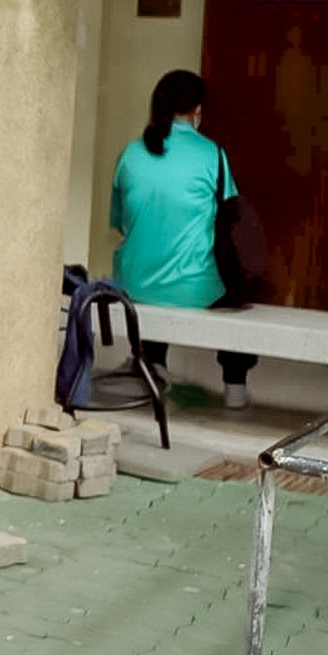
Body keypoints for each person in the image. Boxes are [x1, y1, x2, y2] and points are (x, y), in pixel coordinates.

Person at [110, 69, 258, 407]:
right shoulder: (212, 154)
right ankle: (235, 384)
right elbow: (231, 217)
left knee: (157, 263)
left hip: (134, 285)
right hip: (195, 289)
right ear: (197, 109)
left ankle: (153, 362)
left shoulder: (130, 153)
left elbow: (120, 224)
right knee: (233, 287)